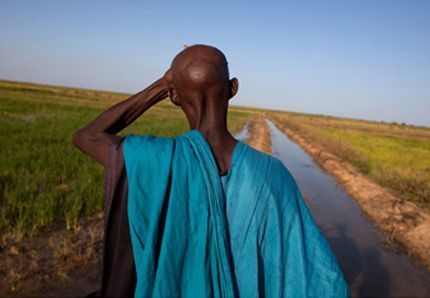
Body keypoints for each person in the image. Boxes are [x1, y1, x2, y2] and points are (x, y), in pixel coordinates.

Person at [73, 44, 349, 297]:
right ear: (233, 87)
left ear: (174, 97)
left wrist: (162, 84)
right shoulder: (271, 174)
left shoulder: (155, 159)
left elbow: (87, 136)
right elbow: (318, 276)